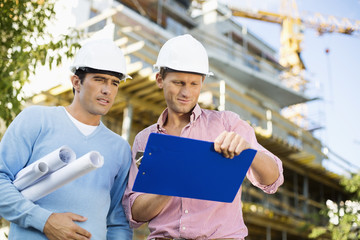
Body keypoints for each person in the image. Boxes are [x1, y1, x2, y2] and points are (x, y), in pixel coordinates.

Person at [122, 34, 284, 240]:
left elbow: (273, 180)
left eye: (194, 84)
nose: (186, 92)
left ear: (203, 82)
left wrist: (248, 152)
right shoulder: (145, 139)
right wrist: (171, 184)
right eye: (178, 83)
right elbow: (135, 214)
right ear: (160, 80)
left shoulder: (227, 124)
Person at [0, 39, 133, 239]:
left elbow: (118, 223)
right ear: (76, 82)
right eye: (99, 80)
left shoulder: (120, 149)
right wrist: (44, 221)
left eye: (115, 83)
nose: (108, 90)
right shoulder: (36, 120)